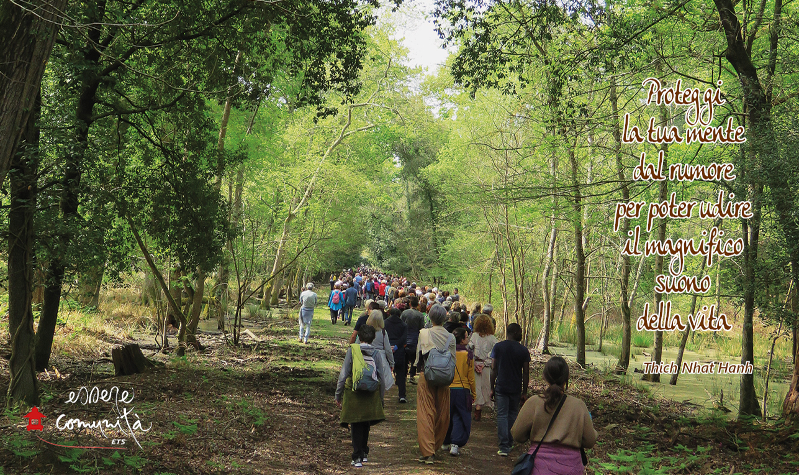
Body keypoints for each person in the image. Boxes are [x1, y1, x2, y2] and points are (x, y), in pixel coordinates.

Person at [511, 356, 597, 474]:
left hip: (539, 468)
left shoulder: (534, 402)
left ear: (545, 376)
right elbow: (590, 441)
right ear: (566, 379)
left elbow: (517, 435)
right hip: (570, 468)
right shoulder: (578, 406)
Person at [335, 325, 395, 468]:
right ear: (373, 338)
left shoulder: (352, 350)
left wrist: (338, 394)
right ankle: (364, 452)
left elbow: (344, 374)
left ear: (358, 337)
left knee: (356, 423)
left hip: (353, 392)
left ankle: (356, 457)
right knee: (366, 422)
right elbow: (380, 376)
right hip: (371, 392)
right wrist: (380, 398)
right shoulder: (376, 353)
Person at [415, 304, 456, 464]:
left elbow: (419, 357)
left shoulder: (424, 333)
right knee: (442, 414)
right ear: (444, 319)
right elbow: (453, 360)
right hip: (445, 378)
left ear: (430, 317)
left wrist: (419, 371)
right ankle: (435, 445)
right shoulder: (451, 337)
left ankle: (428, 451)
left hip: (427, 375)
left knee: (426, 413)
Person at [490, 322, 530, 456]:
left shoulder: (498, 347)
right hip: (515, 388)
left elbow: (493, 368)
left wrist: (492, 387)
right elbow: (525, 372)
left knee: (502, 415)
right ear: (514, 333)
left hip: (501, 386)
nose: (521, 333)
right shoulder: (523, 350)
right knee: (512, 414)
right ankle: (509, 443)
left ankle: (503, 446)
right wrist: (524, 391)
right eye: (520, 331)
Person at [443, 327, 475, 456]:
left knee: (447, 416)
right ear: (462, 340)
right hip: (463, 390)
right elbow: (471, 377)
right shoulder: (468, 355)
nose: (468, 339)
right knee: (460, 417)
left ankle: (444, 442)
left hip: (448, 389)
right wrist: (474, 392)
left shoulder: (448, 353)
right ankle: (455, 444)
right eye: (466, 337)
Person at [469, 314, 498, 421]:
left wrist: (475, 363)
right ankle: (478, 409)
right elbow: (495, 353)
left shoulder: (474, 336)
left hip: (475, 365)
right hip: (486, 366)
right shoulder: (493, 339)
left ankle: (477, 409)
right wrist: (486, 362)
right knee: (484, 387)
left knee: (477, 387)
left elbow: (470, 349)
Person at [385, 307, 409, 403]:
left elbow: (384, 335)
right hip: (399, 350)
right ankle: (402, 395)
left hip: (387, 349)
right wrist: (396, 347)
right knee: (401, 373)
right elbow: (404, 338)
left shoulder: (385, 323)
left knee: (382, 372)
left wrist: (388, 346)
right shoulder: (403, 325)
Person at [401, 296, 425, 385]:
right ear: (418, 304)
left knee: (405, 357)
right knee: (415, 358)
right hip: (415, 338)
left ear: (410, 304)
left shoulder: (404, 313)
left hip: (405, 338)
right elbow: (421, 327)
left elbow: (401, 324)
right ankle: (411, 375)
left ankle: (403, 375)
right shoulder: (420, 315)